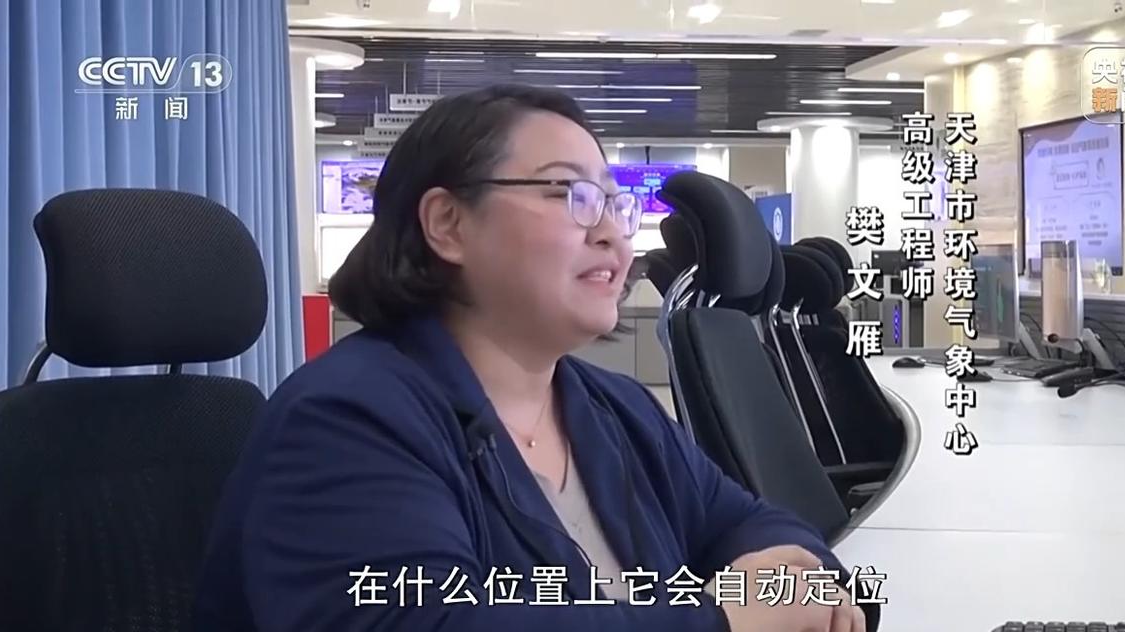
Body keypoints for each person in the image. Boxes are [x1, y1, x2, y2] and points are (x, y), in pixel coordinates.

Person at [194, 84, 874, 632]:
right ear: (448, 223)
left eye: (615, 203)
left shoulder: (614, 406)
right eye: (568, 194)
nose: (611, 233)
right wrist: (722, 620)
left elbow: (752, 521)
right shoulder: (347, 417)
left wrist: (798, 577)